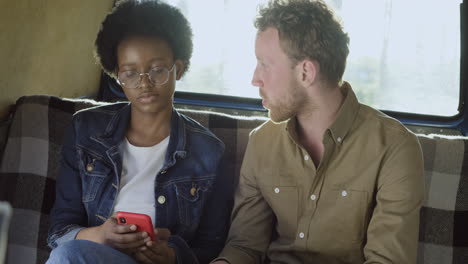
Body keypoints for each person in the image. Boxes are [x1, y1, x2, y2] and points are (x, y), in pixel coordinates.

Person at [213, 0, 424, 263]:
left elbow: (387, 260)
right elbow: (245, 247)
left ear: (306, 72)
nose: (255, 79)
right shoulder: (262, 141)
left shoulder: (395, 148)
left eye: (264, 64)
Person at [46, 1, 232, 263]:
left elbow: (212, 246)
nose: (144, 83)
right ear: (116, 76)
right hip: (91, 257)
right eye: (130, 74)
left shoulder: (209, 151)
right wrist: (101, 235)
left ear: (177, 68)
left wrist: (173, 254)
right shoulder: (84, 130)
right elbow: (59, 231)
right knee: (68, 253)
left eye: (157, 70)